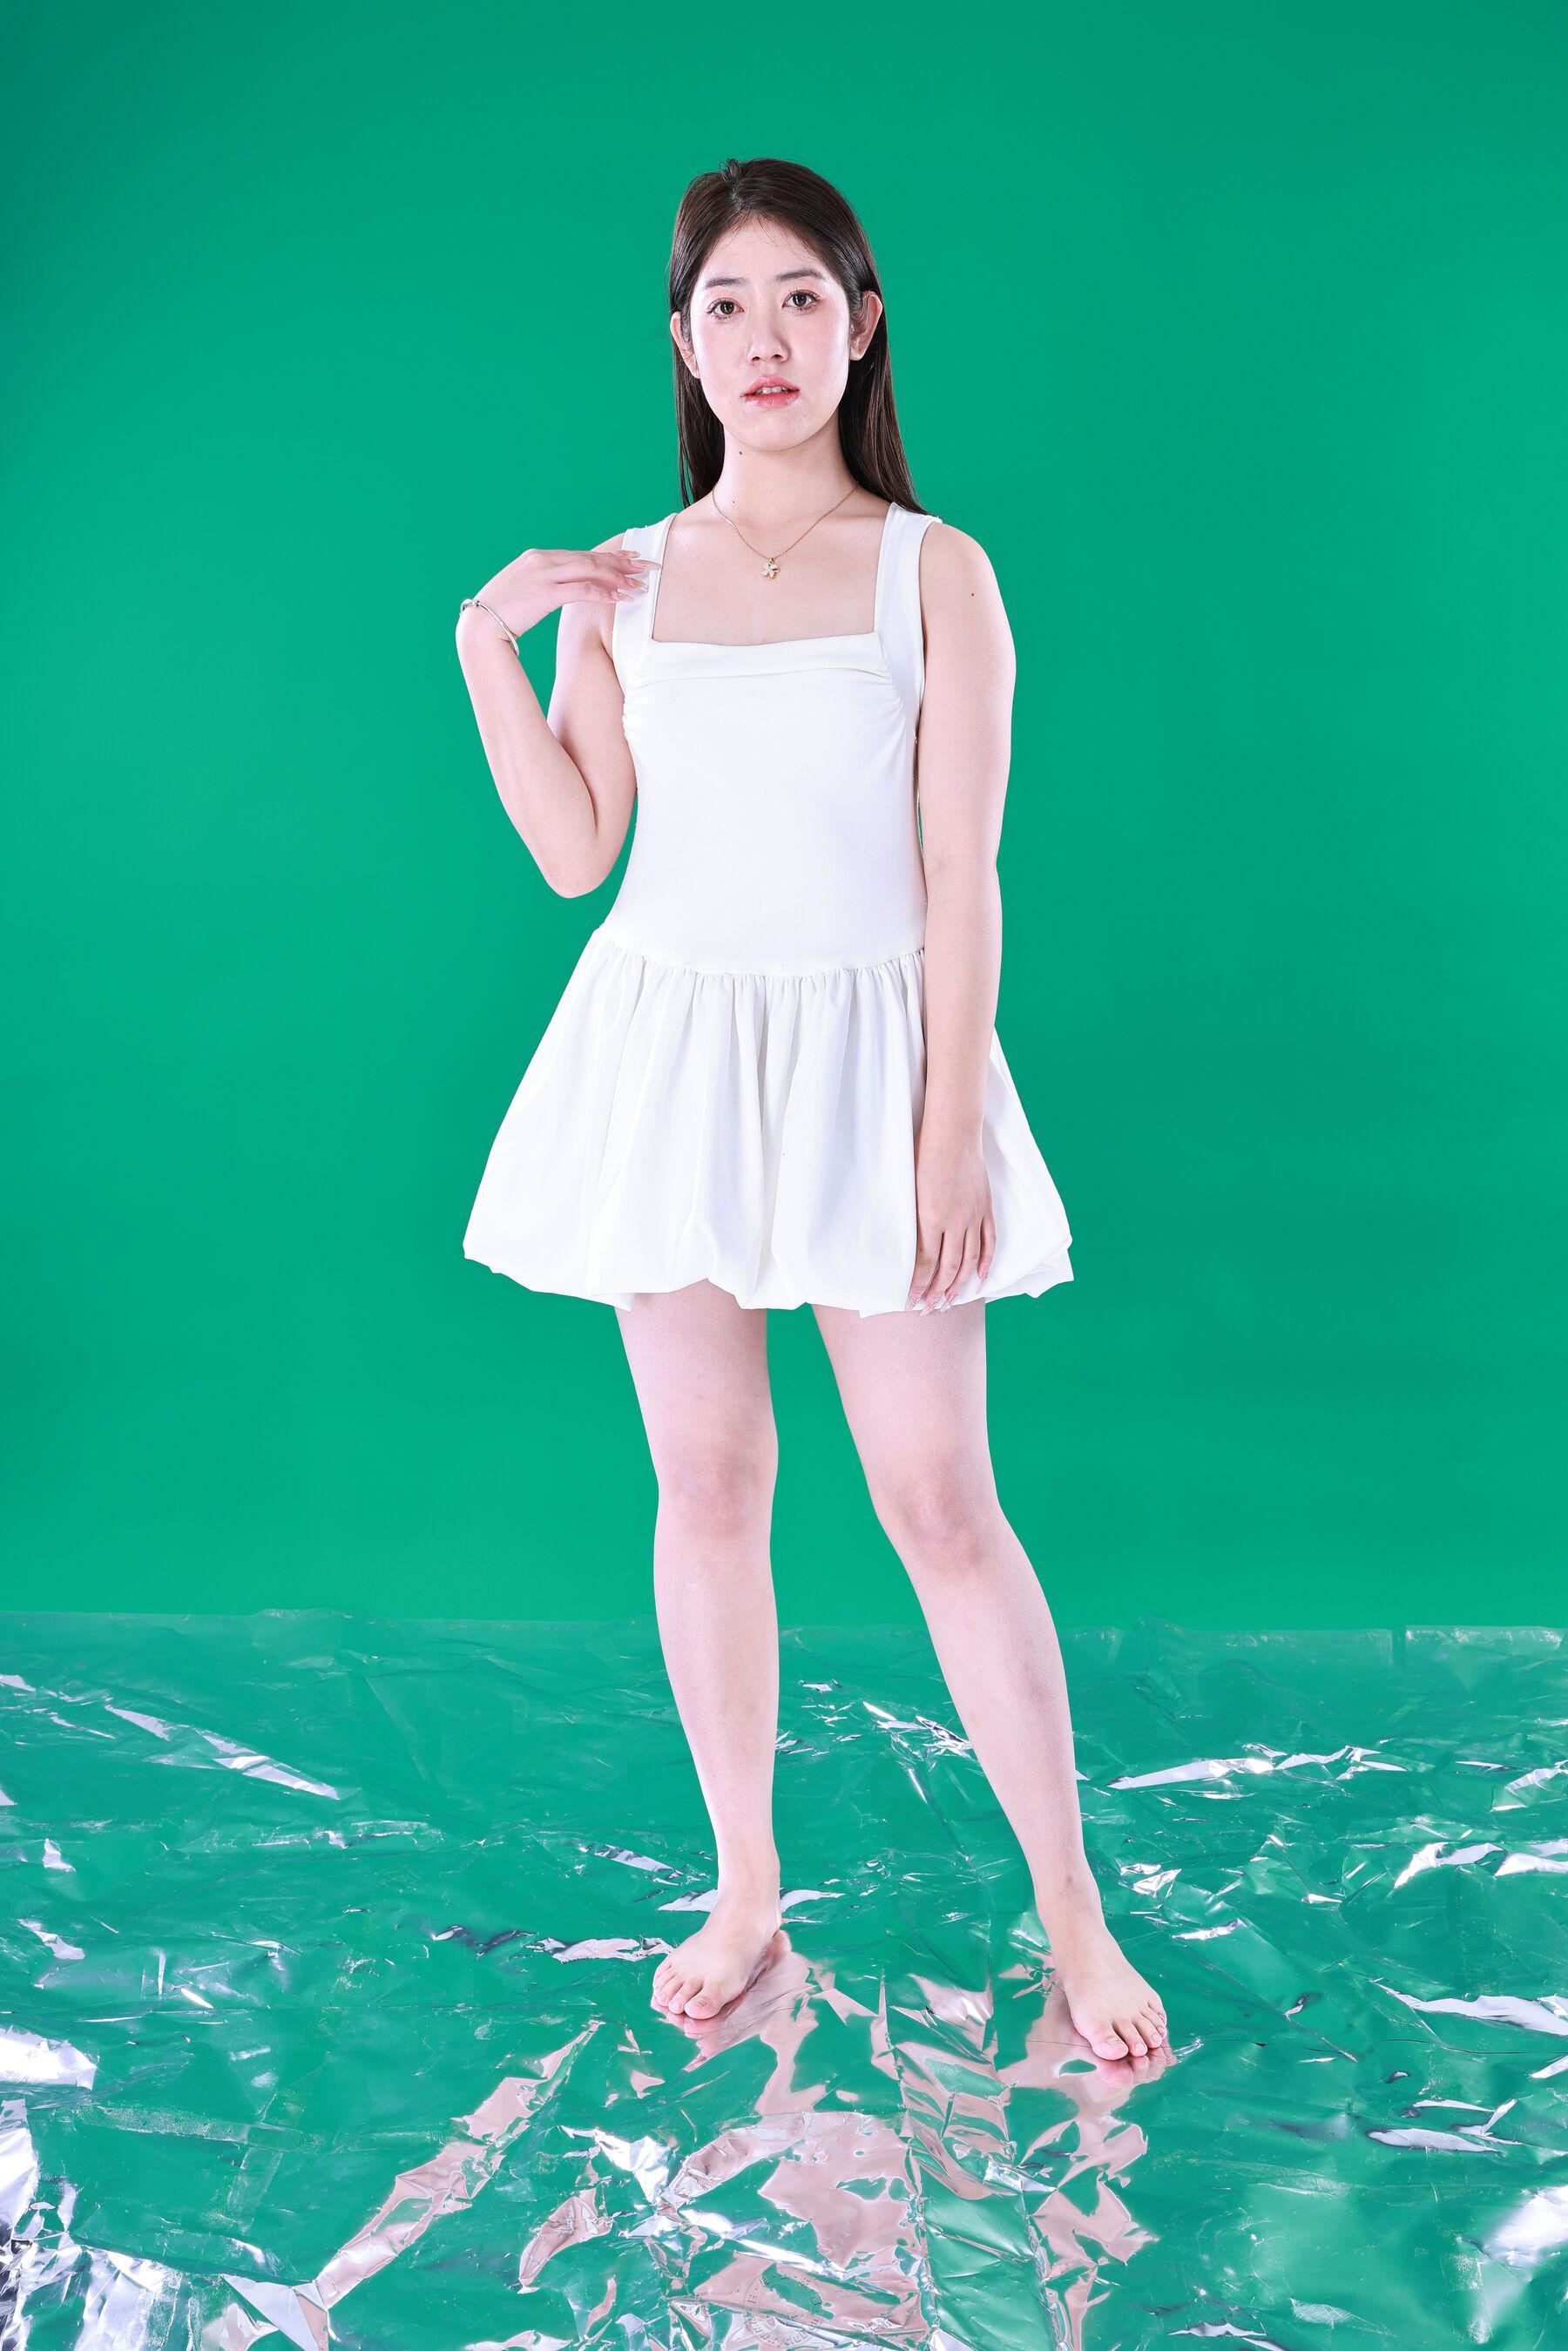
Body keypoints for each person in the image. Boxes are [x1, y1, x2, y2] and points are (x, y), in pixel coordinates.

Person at [455, 156, 1166, 2067]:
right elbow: (576, 850)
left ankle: (1074, 1913)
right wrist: (487, 651)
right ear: (683, 344)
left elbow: (963, 873)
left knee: (940, 1500)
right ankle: (746, 1888)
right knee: (709, 1484)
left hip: (875, 1060)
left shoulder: (938, 571)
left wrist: (943, 1134)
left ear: (860, 327)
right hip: (672, 1059)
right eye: (725, 306)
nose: (763, 339)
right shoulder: (629, 576)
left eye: (799, 300)